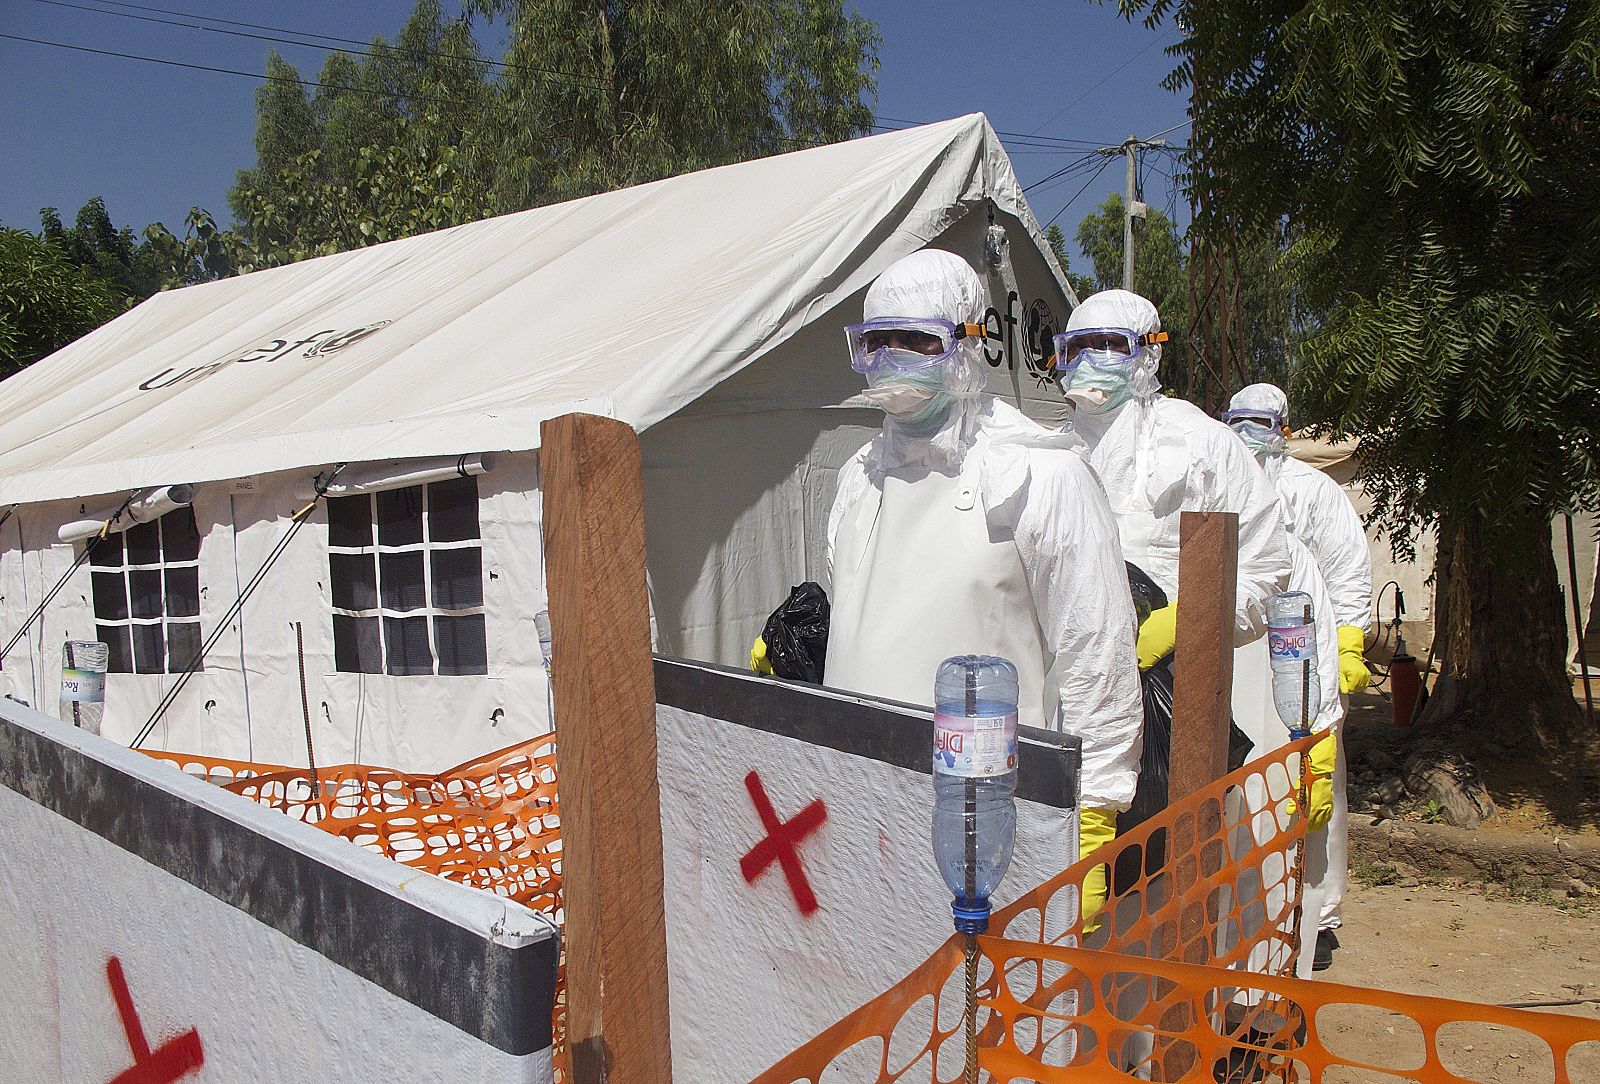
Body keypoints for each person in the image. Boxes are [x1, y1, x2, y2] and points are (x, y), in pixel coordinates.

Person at [824, 250, 1144, 925]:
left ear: (966, 347)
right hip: (858, 815)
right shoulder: (859, 477)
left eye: (915, 340)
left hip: (991, 832)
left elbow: (1097, 655)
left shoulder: (1039, 475)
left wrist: (1094, 813)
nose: (890, 358)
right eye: (874, 342)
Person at [1052, 290, 1292, 757]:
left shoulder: (1203, 443)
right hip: (1069, 685)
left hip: (1177, 689)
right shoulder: (1055, 450)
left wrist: (1189, 620)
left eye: (1106, 344)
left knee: (1171, 818)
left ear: (1148, 352)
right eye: (1075, 348)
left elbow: (1266, 568)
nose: (1087, 360)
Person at [1224, 382, 1373, 970]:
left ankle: (1321, 911)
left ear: (1283, 428)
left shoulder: (1310, 492)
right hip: (1245, 647)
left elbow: (1344, 570)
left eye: (1260, 422)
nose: (1247, 432)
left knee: (1315, 789)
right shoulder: (1222, 484)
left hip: (1303, 646)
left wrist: (1349, 643)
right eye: (1237, 420)